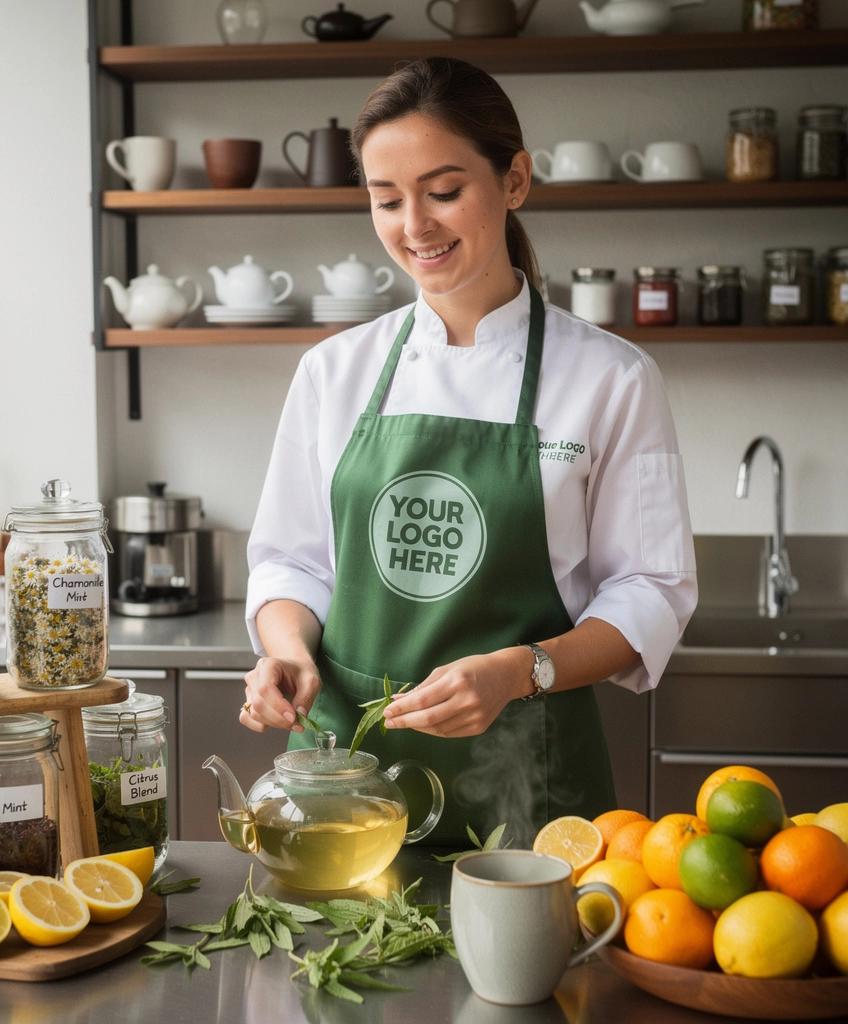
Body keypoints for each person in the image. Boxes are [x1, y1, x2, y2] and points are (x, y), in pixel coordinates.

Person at [240, 57, 697, 845]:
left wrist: (519, 672)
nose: (414, 226)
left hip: (530, 785)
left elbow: (649, 591)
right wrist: (286, 654)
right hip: (343, 786)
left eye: (443, 192)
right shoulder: (334, 371)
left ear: (514, 179)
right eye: (387, 200)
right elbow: (293, 564)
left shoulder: (610, 377)